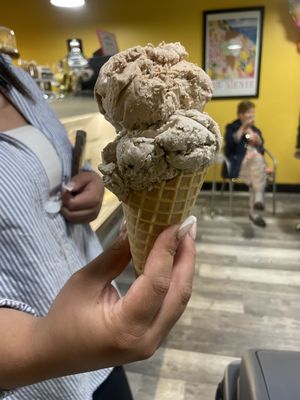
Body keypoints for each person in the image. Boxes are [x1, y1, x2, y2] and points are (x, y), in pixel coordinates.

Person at [0, 51, 197, 399]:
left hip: (99, 324)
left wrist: (88, 179)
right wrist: (44, 343)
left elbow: (54, 165)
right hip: (28, 378)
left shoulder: (13, 77)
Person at [223, 101, 267, 228]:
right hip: (239, 164)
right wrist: (242, 128)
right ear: (240, 114)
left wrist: (258, 142)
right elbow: (229, 147)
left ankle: (255, 211)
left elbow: (262, 149)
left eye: (252, 113)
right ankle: (256, 206)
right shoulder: (232, 127)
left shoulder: (256, 130)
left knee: (257, 160)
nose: (251, 116)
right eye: (248, 113)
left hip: (254, 166)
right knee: (258, 170)